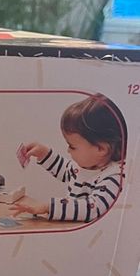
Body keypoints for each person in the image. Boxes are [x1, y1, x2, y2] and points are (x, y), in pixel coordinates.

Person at [11, 93, 127, 222]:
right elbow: (65, 170)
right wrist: (44, 153)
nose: (68, 150)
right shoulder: (85, 166)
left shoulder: (114, 177)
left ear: (101, 149)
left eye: (72, 146)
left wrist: (48, 207)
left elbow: (92, 208)